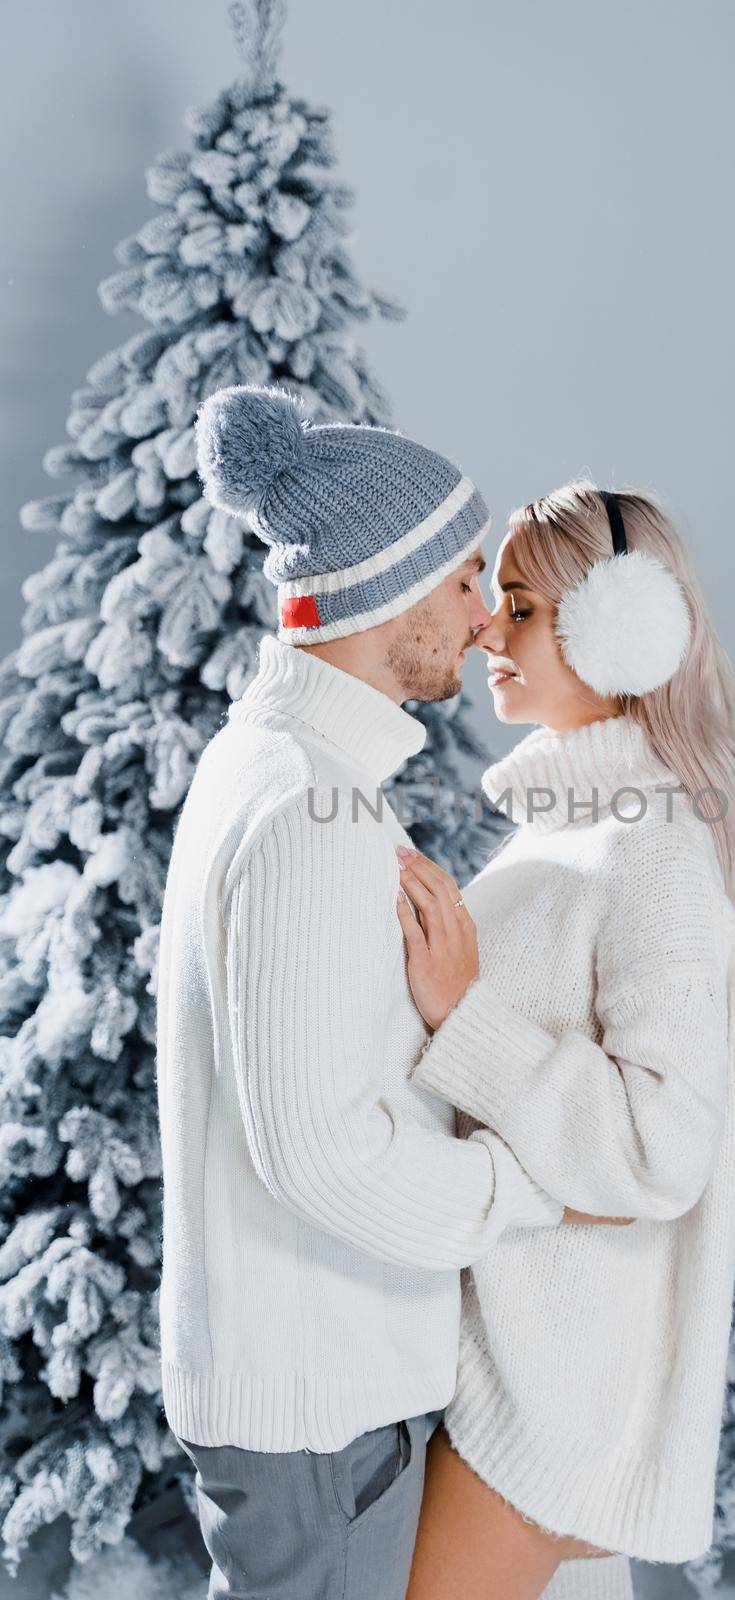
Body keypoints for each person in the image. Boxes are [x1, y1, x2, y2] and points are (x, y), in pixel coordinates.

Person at [154, 385, 623, 1600]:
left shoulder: (288, 771)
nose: (481, 618)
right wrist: (526, 1193)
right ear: (380, 589)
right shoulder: (307, 809)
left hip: (316, 1394)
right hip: (319, 1404)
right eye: (464, 580)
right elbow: (320, 1154)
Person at [395, 483, 735, 1600]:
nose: (485, 631)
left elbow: (660, 1152)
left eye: (519, 607)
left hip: (541, 1403)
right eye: (493, 602)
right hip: (508, 1372)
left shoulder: (646, 849)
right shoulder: (570, 841)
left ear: (620, 631)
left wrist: (466, 1016)